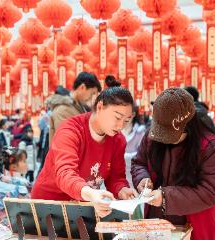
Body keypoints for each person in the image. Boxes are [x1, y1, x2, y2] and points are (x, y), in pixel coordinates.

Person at [31, 80, 137, 218]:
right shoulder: (71, 130)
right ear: (100, 107)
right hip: (50, 206)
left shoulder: (118, 140)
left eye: (126, 121)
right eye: (117, 117)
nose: (121, 125)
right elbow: (65, 173)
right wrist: (92, 193)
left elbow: (116, 177)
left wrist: (122, 190)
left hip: (83, 207)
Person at [131, 88, 215, 240]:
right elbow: (139, 162)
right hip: (157, 223)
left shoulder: (210, 147)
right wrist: (142, 178)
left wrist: (165, 197)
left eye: (171, 134)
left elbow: (209, 192)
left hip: (197, 225)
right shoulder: (152, 135)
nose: (164, 139)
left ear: (187, 125)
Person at [46, 72, 102, 144]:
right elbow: (67, 141)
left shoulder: (79, 107)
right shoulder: (63, 109)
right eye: (91, 93)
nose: (91, 98)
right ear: (82, 87)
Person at [0, 147, 30, 221]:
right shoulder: (23, 185)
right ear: (13, 166)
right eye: (24, 161)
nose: (27, 164)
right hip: (17, 225)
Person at [121, 106, 146, 184]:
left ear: (133, 114)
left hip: (136, 180)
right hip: (117, 182)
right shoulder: (114, 132)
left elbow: (142, 160)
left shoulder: (140, 132)